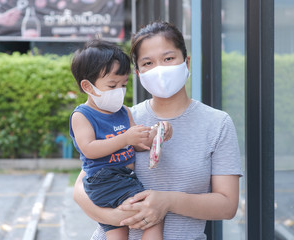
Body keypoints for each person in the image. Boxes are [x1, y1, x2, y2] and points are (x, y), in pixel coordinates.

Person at [73, 21, 243, 240]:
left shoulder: (217, 123)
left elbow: (227, 205)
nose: (159, 69)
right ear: (138, 72)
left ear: (187, 62)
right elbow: (81, 187)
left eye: (168, 58)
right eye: (148, 63)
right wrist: (116, 219)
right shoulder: (123, 119)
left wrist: (167, 201)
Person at [69, 39, 172, 240]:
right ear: (87, 86)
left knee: (118, 230)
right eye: (112, 84)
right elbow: (89, 149)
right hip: (105, 180)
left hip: (121, 177)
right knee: (152, 215)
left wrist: (158, 134)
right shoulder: (82, 115)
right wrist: (124, 138)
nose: (119, 91)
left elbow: (138, 143)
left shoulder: (123, 111)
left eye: (123, 84)